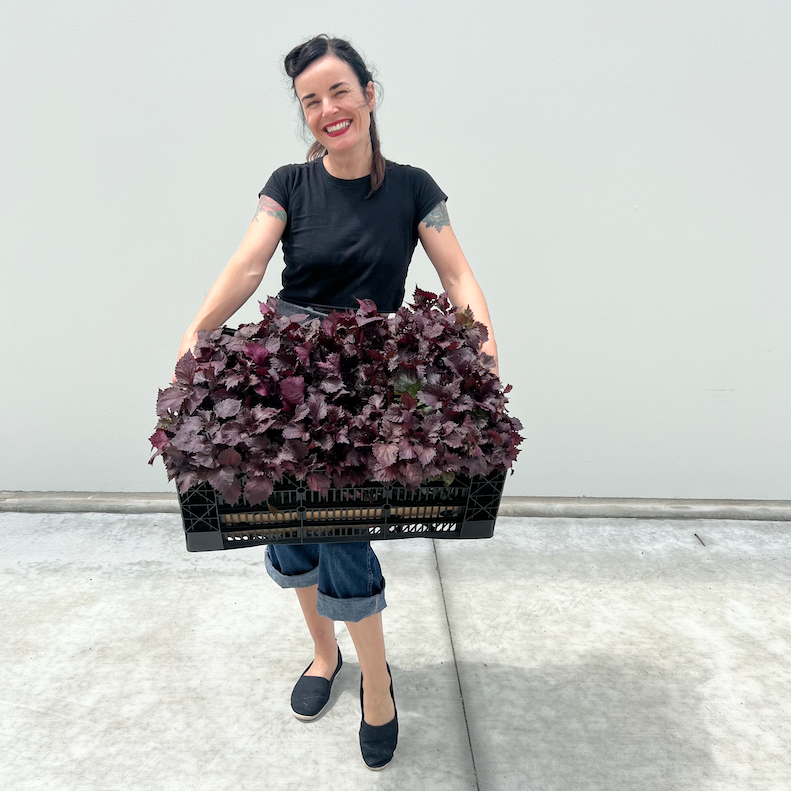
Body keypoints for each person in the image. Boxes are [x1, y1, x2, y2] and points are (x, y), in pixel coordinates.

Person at [174, 34, 499, 770]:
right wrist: (200, 328)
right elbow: (250, 261)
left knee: (344, 529)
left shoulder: (413, 187)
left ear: (369, 95)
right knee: (282, 520)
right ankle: (324, 654)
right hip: (289, 372)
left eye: (338, 92)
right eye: (310, 100)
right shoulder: (289, 182)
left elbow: (458, 277)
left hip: (365, 377)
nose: (327, 109)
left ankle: (376, 682)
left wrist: (483, 348)